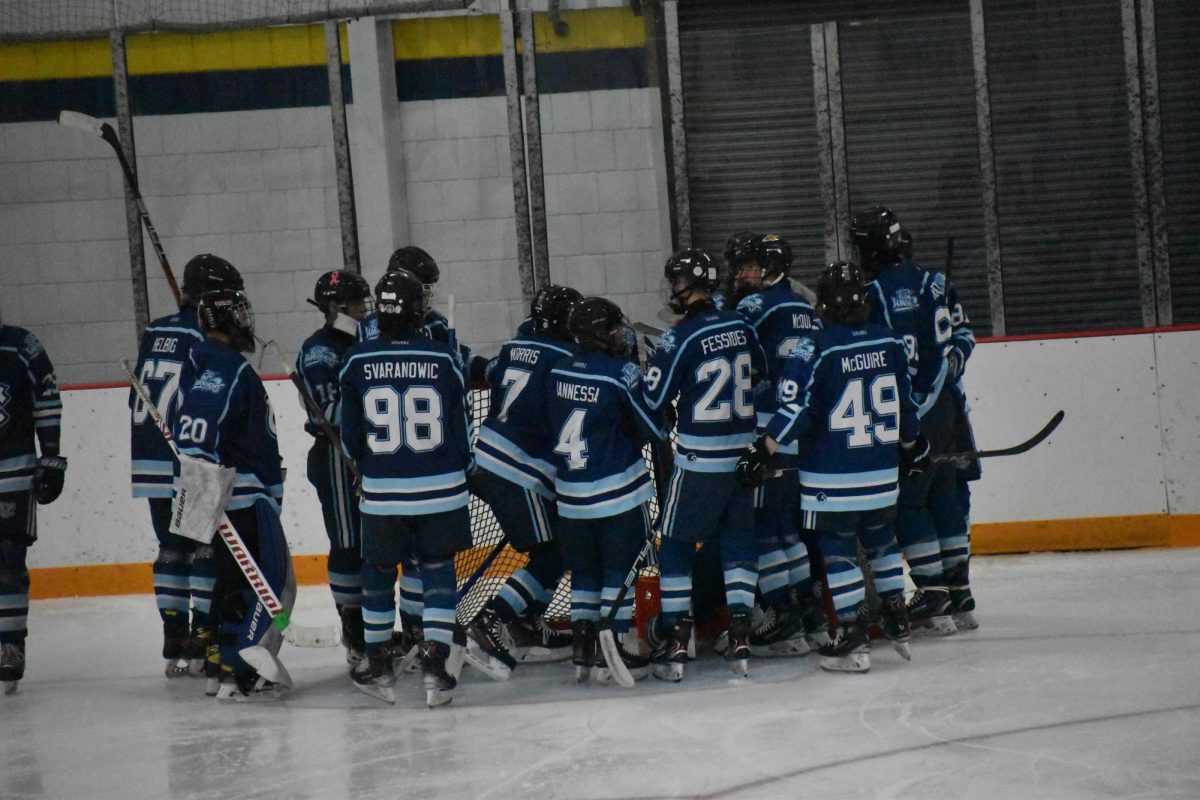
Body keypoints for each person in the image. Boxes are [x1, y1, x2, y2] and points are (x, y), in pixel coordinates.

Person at [737, 261, 928, 673]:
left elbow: (796, 411)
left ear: (822, 303)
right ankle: (897, 618)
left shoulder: (815, 347)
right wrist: (911, 446)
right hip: (881, 476)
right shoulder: (890, 341)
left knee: (838, 552)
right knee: (882, 543)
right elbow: (906, 407)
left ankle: (852, 637)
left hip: (832, 479)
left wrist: (764, 449)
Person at [339, 269, 473, 707]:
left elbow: (350, 437)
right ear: (418, 310)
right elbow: (461, 429)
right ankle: (436, 666)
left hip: (383, 493)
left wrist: (370, 466)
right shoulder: (443, 358)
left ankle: (377, 663)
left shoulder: (357, 360)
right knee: (437, 571)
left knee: (377, 574)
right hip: (442, 489)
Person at [356, 246, 487, 658]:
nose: (429, 297)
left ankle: (401, 637)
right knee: (429, 563)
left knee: (393, 565)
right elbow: (458, 404)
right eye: (423, 289)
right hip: (432, 473)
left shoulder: (365, 345)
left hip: (382, 473)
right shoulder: (425, 341)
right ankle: (426, 640)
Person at [643, 248, 766, 680]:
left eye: (676, 282)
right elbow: (760, 374)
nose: (672, 290)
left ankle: (677, 642)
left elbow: (653, 400)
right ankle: (740, 634)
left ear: (691, 286)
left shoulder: (681, 337)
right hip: (743, 456)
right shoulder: (740, 323)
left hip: (699, 462)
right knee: (737, 543)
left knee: (675, 543)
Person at [171, 287, 295, 699]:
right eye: (240, 313)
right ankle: (245, 667)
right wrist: (206, 474)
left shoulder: (198, 362)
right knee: (272, 586)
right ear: (224, 319)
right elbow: (205, 431)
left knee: (229, 580)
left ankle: (221, 669)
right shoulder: (230, 369)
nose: (248, 321)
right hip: (243, 498)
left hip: (222, 497)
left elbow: (193, 430)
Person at [129, 253, 242, 677]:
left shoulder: (155, 329)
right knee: (203, 547)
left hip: (147, 453)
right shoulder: (203, 335)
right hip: (185, 457)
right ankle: (201, 633)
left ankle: (173, 630)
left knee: (171, 548)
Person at [464, 285, 582, 680]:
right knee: (557, 551)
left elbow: (496, 377)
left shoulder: (515, 344)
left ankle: (526, 623)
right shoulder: (567, 358)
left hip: (490, 459)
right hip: (520, 469)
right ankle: (493, 619)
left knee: (557, 544)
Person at [546, 297, 665, 684]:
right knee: (618, 569)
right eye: (614, 328)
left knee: (584, 571)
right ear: (597, 335)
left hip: (570, 497)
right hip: (617, 493)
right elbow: (653, 427)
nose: (621, 333)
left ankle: (583, 648)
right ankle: (615, 642)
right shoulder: (621, 372)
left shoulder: (557, 370)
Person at [852, 207, 957, 635]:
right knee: (946, 495)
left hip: (905, 413)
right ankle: (957, 593)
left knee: (909, 503)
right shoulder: (936, 281)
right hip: (947, 407)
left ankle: (934, 595)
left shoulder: (873, 291)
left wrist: (910, 410)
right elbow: (958, 342)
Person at [731, 234, 827, 656]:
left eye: (751, 266)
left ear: (770, 267)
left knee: (764, 529)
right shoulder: (807, 308)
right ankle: (809, 611)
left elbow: (725, 340)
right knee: (788, 529)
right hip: (797, 432)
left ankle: (781, 616)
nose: (742, 273)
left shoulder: (755, 305)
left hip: (764, 432)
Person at [295, 270, 373, 664]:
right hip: (335, 454)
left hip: (365, 455)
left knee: (374, 544)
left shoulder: (364, 340)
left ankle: (374, 626)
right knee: (348, 544)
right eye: (359, 304)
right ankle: (354, 630)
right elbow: (329, 411)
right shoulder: (320, 351)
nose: (365, 310)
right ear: (337, 309)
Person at [0, 313, 65, 695]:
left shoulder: (22, 345)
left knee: (8, 562)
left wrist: (52, 456)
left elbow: (47, 399)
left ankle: (10, 645)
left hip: (14, 473)